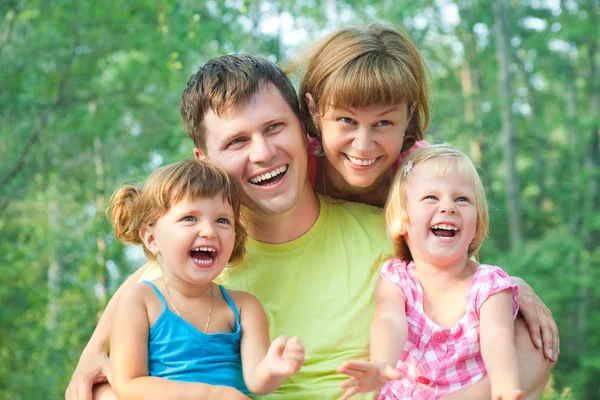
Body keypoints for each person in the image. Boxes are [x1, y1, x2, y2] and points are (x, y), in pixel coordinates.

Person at [66, 53, 558, 400]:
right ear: (205, 160)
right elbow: (123, 372)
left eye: (274, 128)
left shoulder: (389, 238)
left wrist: (514, 288)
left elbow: (523, 344)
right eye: (236, 141)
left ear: (305, 129)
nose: (263, 153)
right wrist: (95, 355)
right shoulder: (196, 263)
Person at [107, 159, 305, 399]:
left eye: (222, 220)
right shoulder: (139, 299)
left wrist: (273, 368)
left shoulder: (244, 307)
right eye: (190, 218)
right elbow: (128, 385)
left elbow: (256, 381)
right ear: (151, 239)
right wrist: (211, 395)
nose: (209, 231)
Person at [337, 145, 522, 400]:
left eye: (462, 199)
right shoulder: (397, 279)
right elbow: (388, 322)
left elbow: (497, 335)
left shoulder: (489, 286)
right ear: (403, 218)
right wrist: (382, 365)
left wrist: (504, 387)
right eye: (431, 198)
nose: (448, 207)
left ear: (477, 222)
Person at [286, 24, 430, 207]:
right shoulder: (292, 167)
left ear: (409, 115)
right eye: (347, 120)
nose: (363, 146)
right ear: (313, 109)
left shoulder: (428, 176)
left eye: (384, 122)